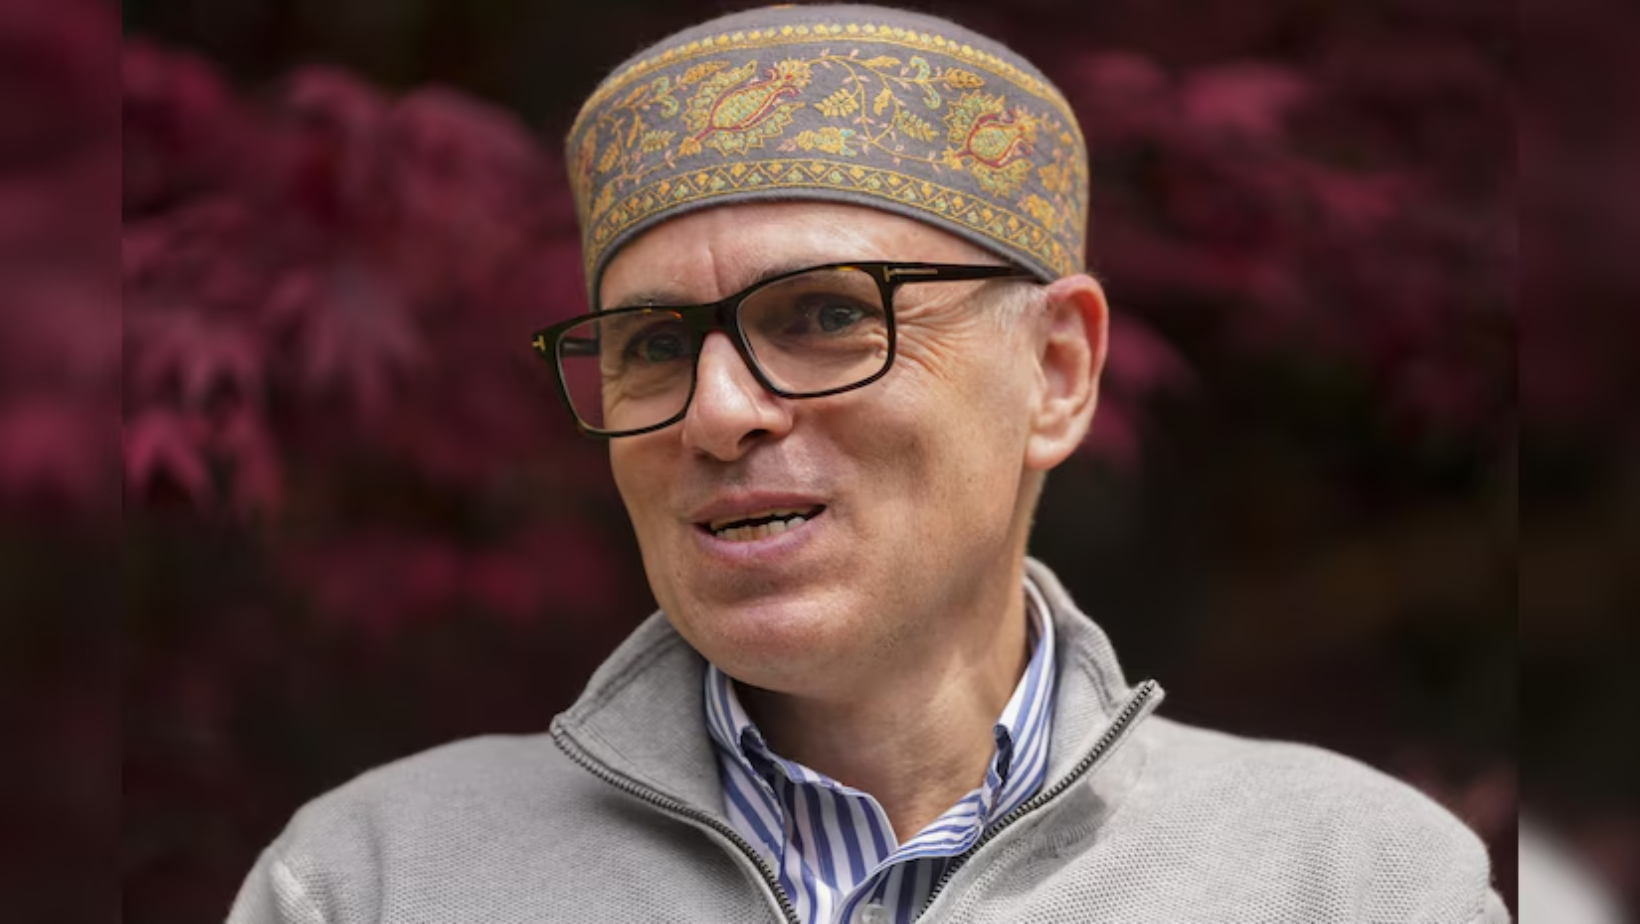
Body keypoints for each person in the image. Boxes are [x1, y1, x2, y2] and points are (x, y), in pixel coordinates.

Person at [229, 5, 1510, 922]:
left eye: (826, 315)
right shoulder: (372, 882)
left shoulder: (1354, 884)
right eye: (653, 345)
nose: (716, 411)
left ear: (1057, 371)